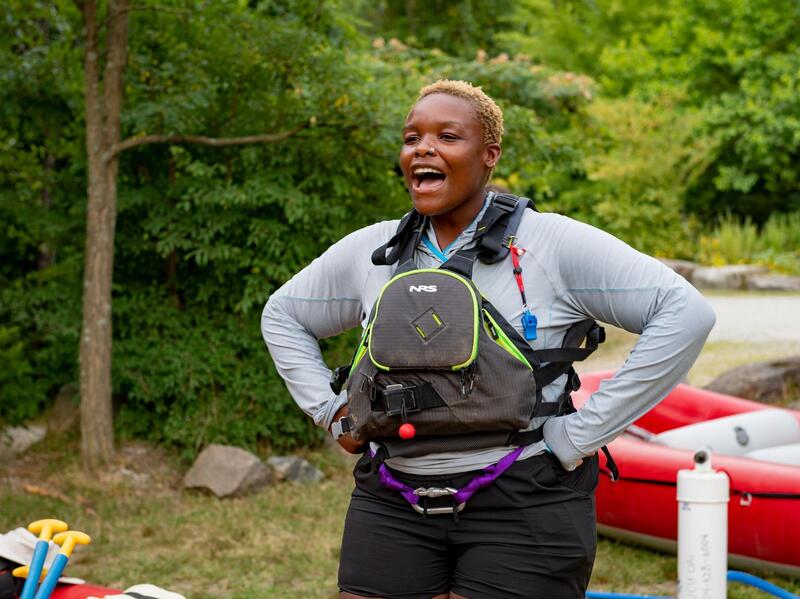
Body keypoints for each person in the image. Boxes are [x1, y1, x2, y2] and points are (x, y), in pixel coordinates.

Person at [262, 80, 716, 599]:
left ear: (489, 155)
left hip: (526, 499)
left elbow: (685, 313)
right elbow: (283, 314)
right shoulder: (376, 250)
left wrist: (579, 436)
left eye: (447, 136)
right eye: (412, 139)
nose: (423, 149)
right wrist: (330, 409)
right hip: (394, 498)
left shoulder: (550, 243)